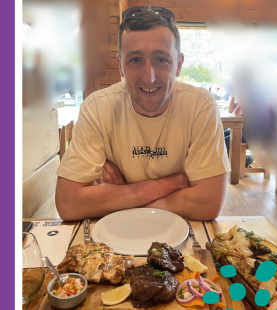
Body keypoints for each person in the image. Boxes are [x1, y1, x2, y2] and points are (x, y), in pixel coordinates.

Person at [55, 6, 230, 221]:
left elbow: (208, 203)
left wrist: (124, 195)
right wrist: (169, 184)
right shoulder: (97, 108)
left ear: (178, 65)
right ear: (120, 66)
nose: (149, 77)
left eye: (161, 59)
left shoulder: (199, 105)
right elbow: (69, 204)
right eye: (136, 60)